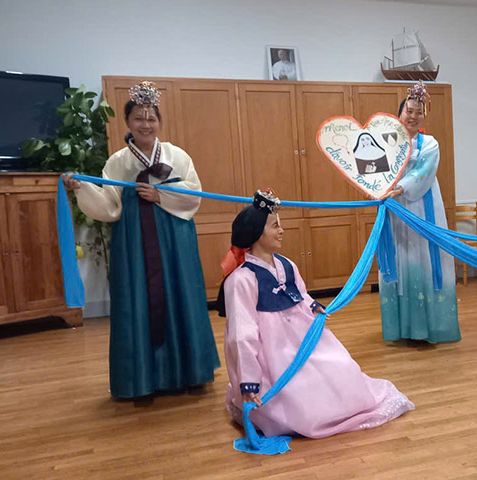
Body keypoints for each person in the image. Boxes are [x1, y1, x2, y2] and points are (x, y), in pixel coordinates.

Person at [62, 81, 220, 399]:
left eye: (151, 118)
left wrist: (161, 194)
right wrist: (82, 188)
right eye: (138, 118)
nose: (145, 124)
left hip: (175, 237)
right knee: (137, 298)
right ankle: (142, 380)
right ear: (127, 122)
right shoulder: (118, 162)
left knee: (182, 293)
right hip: (134, 241)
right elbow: (109, 204)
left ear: (159, 121)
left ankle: (190, 372)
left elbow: (194, 194)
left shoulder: (177, 155)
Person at [219, 190, 414, 437]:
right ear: (256, 232)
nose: (281, 231)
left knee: (341, 366)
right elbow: (241, 335)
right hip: (272, 353)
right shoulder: (241, 279)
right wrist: (249, 382)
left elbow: (301, 295)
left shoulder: (287, 264)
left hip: (301, 339)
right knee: (303, 404)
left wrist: (313, 306)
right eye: (274, 226)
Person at [379, 81, 461, 343]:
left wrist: (399, 189)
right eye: (409, 111)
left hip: (423, 207)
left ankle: (429, 327)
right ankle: (402, 328)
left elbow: (423, 172)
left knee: (423, 257)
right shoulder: (386, 142)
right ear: (400, 113)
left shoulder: (430, 144)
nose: (413, 116)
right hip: (394, 208)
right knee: (399, 257)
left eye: (418, 112)